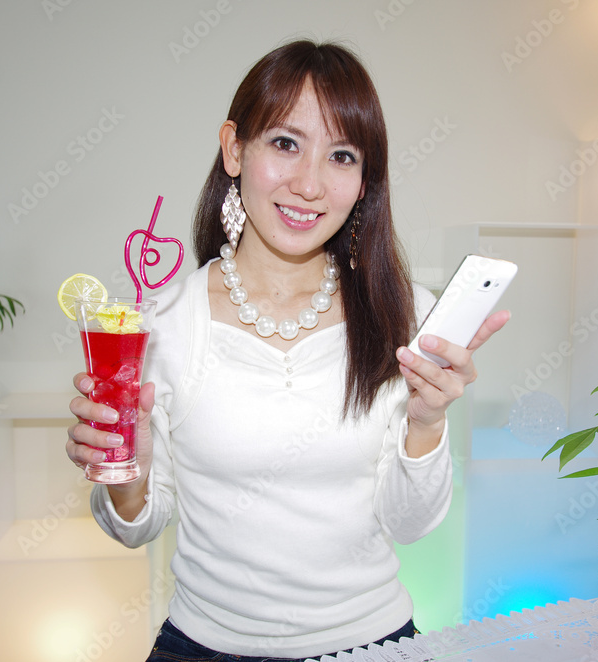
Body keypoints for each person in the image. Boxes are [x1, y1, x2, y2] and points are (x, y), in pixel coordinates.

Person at [66, 39, 510, 662]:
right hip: (206, 645)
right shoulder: (162, 324)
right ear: (234, 149)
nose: (309, 184)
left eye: (341, 156)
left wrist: (427, 421)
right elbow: (135, 527)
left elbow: (409, 524)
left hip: (370, 642)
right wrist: (127, 475)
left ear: (363, 182)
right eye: (285, 143)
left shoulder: (403, 314)